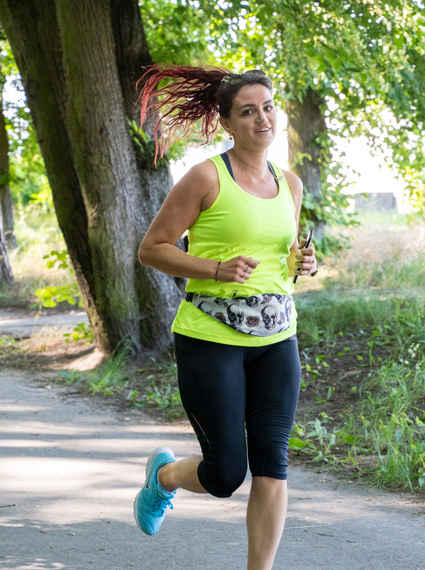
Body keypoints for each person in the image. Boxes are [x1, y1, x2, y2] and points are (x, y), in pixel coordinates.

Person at [133, 65, 317, 570]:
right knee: (225, 474)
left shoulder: (292, 184)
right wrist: (215, 268)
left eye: (268, 107)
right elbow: (152, 250)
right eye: (248, 111)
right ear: (228, 123)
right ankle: (164, 478)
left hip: (278, 338)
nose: (263, 118)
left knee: (273, 466)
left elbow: (280, 260)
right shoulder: (207, 176)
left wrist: (304, 263)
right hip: (210, 336)